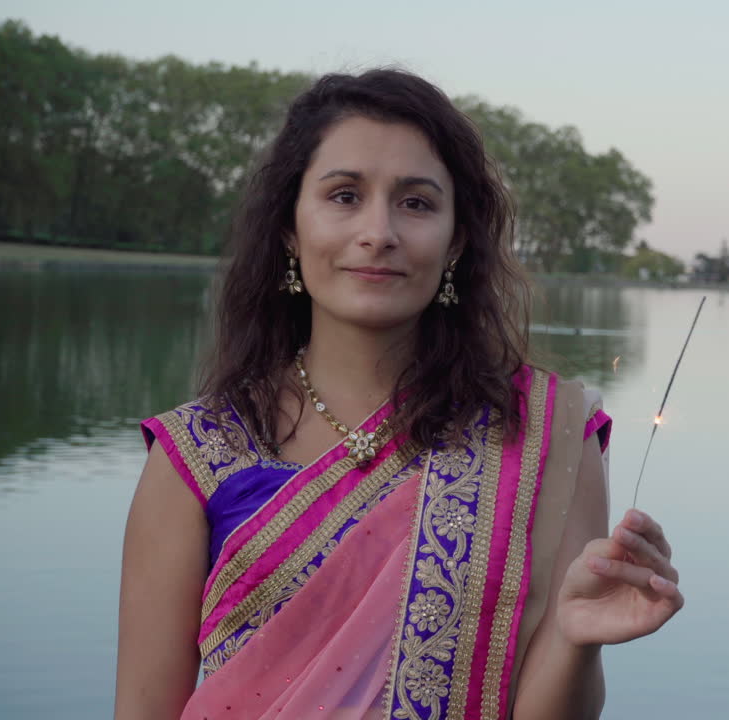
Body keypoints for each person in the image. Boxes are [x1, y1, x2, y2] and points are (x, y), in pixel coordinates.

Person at [115, 69, 683, 720]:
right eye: (344, 195)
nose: (378, 231)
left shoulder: (544, 435)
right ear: (290, 229)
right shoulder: (197, 452)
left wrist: (576, 641)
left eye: (416, 203)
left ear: (456, 240)